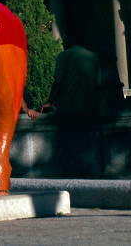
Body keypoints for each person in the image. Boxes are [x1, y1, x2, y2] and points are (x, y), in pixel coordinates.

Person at [44, 39, 104, 175]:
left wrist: (50, 101)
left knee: (69, 143)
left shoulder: (64, 56)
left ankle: (71, 169)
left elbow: (58, 82)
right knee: (87, 142)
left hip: (68, 107)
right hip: (89, 107)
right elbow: (98, 84)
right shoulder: (92, 56)